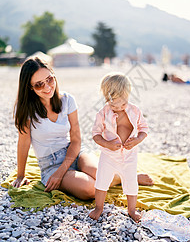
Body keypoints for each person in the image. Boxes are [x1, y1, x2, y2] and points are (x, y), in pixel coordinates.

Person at [12, 58, 153, 200]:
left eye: (49, 79)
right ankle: (124, 178)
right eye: (39, 85)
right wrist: (20, 175)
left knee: (102, 175)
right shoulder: (26, 109)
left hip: (75, 152)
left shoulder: (68, 100)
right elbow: (23, 142)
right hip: (51, 164)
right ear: (29, 87)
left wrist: (62, 171)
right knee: (91, 189)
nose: (47, 87)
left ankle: (127, 177)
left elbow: (76, 140)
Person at [89, 73, 148, 222]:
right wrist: (107, 144)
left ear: (128, 95)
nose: (118, 108)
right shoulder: (102, 113)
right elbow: (96, 134)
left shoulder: (135, 111)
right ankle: (99, 207)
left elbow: (144, 129)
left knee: (131, 183)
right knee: (101, 181)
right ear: (106, 99)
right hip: (108, 156)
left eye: (122, 104)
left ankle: (131, 210)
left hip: (129, 155)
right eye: (113, 105)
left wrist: (137, 140)